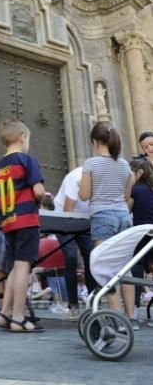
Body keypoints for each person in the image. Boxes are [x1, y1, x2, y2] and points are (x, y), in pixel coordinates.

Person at [0, 118, 46, 333]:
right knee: (24, 266)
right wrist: (38, 202)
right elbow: (39, 191)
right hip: (26, 219)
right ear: (23, 138)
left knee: (15, 266)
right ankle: (18, 317)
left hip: (8, 222)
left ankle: (4, 313)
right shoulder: (27, 160)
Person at [79, 123, 135, 322]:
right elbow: (127, 195)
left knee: (104, 266)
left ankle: (115, 315)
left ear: (95, 142)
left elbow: (84, 195)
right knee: (125, 267)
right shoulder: (124, 165)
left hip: (103, 216)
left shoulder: (91, 164)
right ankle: (130, 316)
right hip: (123, 217)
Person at [53, 166, 97, 320]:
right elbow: (68, 209)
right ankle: (73, 305)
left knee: (91, 257)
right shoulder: (75, 178)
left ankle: (92, 304)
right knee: (71, 258)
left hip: (85, 219)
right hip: (64, 217)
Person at [128, 157, 153, 328]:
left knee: (135, 272)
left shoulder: (135, 190)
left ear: (139, 173)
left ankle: (134, 311)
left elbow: (126, 209)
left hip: (140, 234)